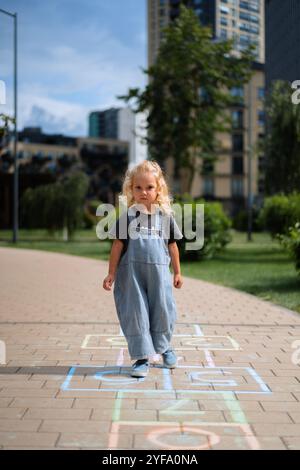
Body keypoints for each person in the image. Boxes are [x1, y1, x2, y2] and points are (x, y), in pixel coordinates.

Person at [103, 160, 183, 378]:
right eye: (138, 187)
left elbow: (172, 245)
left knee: (163, 311)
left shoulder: (165, 216)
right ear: (131, 189)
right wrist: (111, 273)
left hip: (159, 276)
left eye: (149, 187)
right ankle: (140, 358)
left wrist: (177, 272)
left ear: (158, 190)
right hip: (132, 276)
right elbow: (117, 245)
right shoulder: (127, 216)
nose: (143, 192)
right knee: (136, 313)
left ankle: (165, 347)